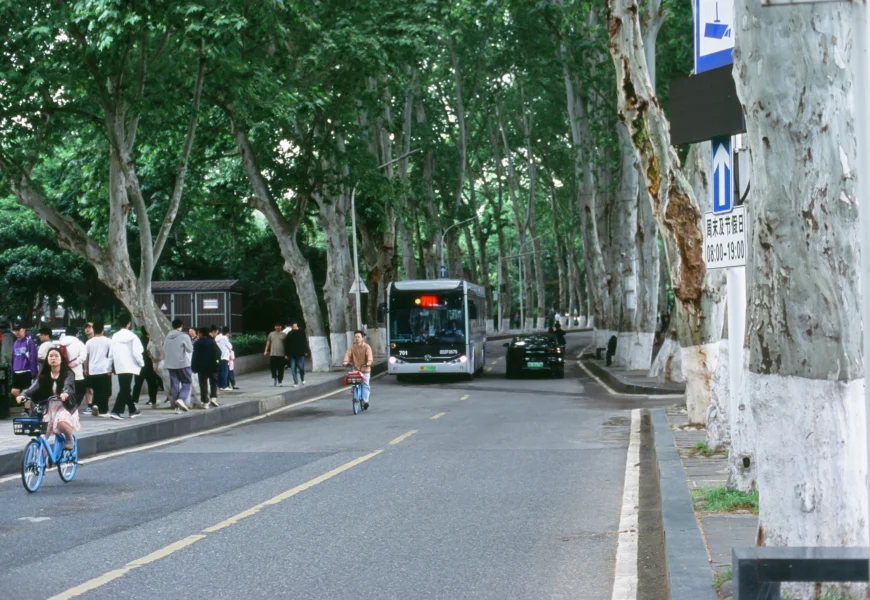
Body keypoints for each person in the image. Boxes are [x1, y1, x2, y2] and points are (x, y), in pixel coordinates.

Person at [16, 347, 79, 450]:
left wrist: (65, 393)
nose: (53, 358)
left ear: (61, 359)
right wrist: (23, 395)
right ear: (47, 360)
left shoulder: (68, 373)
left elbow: (68, 385)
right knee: (42, 436)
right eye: (50, 356)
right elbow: (32, 388)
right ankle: (42, 461)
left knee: (61, 423)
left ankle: (69, 438)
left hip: (65, 406)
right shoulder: (44, 375)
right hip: (48, 407)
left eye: (56, 356)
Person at [109, 319, 145, 420]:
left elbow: (111, 353)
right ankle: (116, 411)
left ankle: (132, 409)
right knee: (125, 389)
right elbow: (137, 353)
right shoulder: (133, 337)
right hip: (130, 366)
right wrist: (141, 363)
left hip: (119, 365)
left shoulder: (115, 336)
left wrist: (109, 367)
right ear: (128, 324)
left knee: (124, 388)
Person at [164, 318, 194, 413]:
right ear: (181, 325)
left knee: (175, 385)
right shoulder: (184, 336)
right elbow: (190, 349)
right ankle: (181, 399)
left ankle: (176, 407)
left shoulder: (167, 336)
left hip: (169, 364)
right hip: (182, 364)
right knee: (187, 382)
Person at [85, 322, 113, 417]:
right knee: (106, 391)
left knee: (96, 390)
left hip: (93, 370)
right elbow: (111, 355)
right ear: (103, 330)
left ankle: (95, 405)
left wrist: (86, 369)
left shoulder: (89, 342)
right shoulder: (108, 341)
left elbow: (86, 357)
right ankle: (103, 410)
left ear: (94, 330)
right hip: (104, 369)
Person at [342, 330, 373, 409]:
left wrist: (369, 362)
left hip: (365, 369)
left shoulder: (366, 346)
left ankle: (365, 401)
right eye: (355, 337)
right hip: (356, 369)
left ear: (362, 338)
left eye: (358, 337)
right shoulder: (352, 347)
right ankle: (355, 397)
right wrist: (345, 361)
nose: (357, 338)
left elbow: (369, 355)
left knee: (365, 385)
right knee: (354, 384)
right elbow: (348, 354)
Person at [58, 326, 87, 410]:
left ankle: (66, 408)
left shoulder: (61, 344)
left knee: (66, 390)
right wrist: (76, 363)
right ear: (76, 334)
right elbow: (83, 356)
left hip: (64, 372)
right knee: (80, 391)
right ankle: (72, 407)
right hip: (77, 373)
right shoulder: (79, 343)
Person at [192, 327, 220, 407]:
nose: (198, 334)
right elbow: (218, 353)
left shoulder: (197, 343)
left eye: (198, 333)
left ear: (201, 333)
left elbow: (195, 356)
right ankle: (213, 397)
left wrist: (194, 367)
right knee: (213, 382)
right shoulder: (212, 342)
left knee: (203, 384)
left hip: (201, 367)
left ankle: (205, 402)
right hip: (212, 366)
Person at [10, 323, 39, 402]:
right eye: (15, 330)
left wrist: (33, 372)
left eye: (19, 330)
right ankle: (27, 402)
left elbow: (33, 357)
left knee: (26, 391)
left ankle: (27, 410)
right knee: (14, 391)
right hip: (17, 371)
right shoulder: (15, 343)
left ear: (24, 330)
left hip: (26, 370)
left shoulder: (29, 341)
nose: (17, 332)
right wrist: (12, 371)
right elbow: (12, 358)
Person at [132, 328, 159, 407]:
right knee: (152, 384)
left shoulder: (139, 340)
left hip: (140, 365)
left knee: (138, 384)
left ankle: (134, 400)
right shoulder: (150, 341)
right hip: (149, 365)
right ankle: (152, 400)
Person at [286, 321, 310, 387]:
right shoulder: (290, 333)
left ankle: (302, 378)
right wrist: (287, 354)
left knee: (301, 367)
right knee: (293, 368)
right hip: (292, 354)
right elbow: (287, 344)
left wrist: (305, 351)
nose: (294, 325)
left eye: (295, 324)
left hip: (300, 353)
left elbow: (304, 342)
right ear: (291, 326)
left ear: (297, 325)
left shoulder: (301, 332)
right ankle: (295, 382)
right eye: (293, 325)